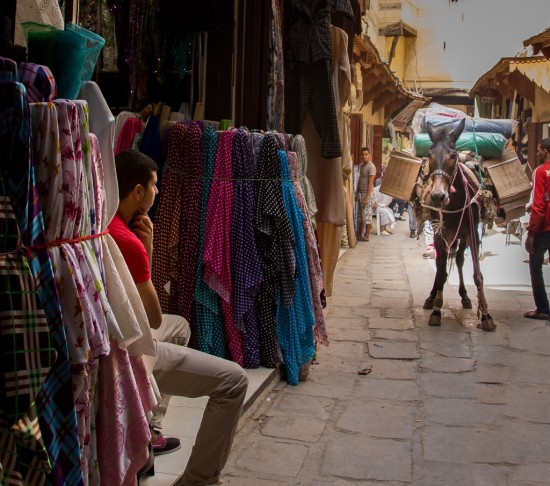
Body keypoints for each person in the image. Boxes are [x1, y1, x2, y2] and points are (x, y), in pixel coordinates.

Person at [108, 149, 248, 485]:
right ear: (138, 191)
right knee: (234, 381)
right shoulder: (129, 239)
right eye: (155, 185)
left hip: (115, 337)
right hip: (129, 350)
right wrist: (149, 249)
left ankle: (149, 429)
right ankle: (198, 480)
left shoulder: (107, 222)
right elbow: (154, 318)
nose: (159, 192)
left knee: (181, 326)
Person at [524, 138, 550, 320]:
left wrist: (531, 233)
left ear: (546, 152)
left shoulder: (540, 172)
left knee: (535, 267)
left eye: (539, 150)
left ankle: (542, 309)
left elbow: (540, 205)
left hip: (544, 228)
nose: (537, 153)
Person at [355, 146, 376, 241]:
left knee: (367, 216)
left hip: (367, 193)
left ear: (369, 155)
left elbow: (370, 183)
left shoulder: (371, 167)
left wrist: (367, 197)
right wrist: (356, 193)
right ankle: (360, 234)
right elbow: (359, 181)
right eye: (363, 154)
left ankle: (367, 235)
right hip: (360, 193)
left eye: (366, 154)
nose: (364, 156)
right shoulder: (361, 166)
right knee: (360, 216)